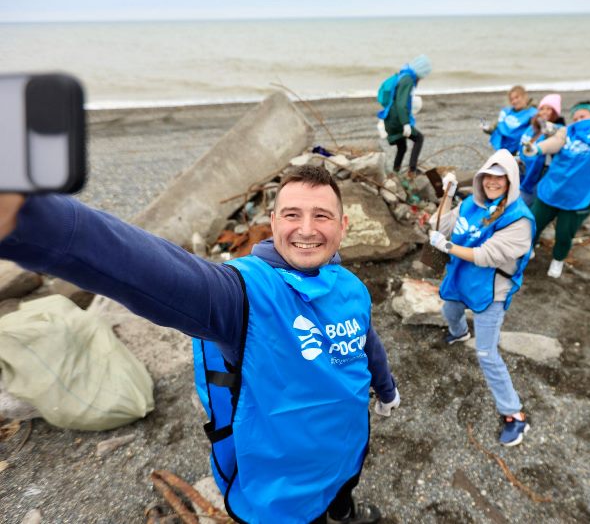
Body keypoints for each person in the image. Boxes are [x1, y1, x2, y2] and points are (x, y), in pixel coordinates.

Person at [0, 166, 399, 524]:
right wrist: (27, 217)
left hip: (348, 440)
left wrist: (386, 390)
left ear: (343, 226)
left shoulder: (351, 286)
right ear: (273, 222)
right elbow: (141, 266)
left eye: (322, 216)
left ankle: (345, 511)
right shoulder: (240, 295)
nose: (308, 229)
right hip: (285, 476)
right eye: (292, 214)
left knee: (346, 483)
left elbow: (367, 341)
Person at [427, 149, 535, 446]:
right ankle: (460, 333)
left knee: (487, 354)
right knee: (450, 311)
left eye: (500, 178)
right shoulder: (472, 205)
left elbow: (487, 256)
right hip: (462, 280)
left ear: (511, 181)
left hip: (491, 290)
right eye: (489, 175)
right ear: (481, 177)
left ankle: (515, 414)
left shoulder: (519, 220)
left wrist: (447, 248)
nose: (492, 182)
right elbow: (441, 227)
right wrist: (448, 194)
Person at [525, 100, 590, 279]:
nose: (579, 119)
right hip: (552, 189)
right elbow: (555, 142)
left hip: (578, 196)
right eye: (575, 117)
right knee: (533, 223)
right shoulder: (567, 131)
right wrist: (537, 148)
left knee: (564, 234)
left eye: (583, 116)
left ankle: (558, 259)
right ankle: (528, 249)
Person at [376, 54, 432, 179]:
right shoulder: (408, 80)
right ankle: (412, 170)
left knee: (402, 146)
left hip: (391, 118)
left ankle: (395, 173)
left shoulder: (403, 75)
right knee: (419, 138)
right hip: (397, 120)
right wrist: (406, 123)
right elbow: (401, 104)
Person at [518, 93, 566, 206]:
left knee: (522, 207)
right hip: (522, 172)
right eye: (542, 109)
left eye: (549, 109)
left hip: (539, 177)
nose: (544, 112)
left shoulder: (559, 130)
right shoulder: (532, 128)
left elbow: (555, 145)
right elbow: (521, 148)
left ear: (555, 112)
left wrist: (549, 132)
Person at [481, 85, 537, 155]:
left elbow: (536, 131)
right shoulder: (507, 112)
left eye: (517, 97)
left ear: (525, 96)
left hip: (520, 150)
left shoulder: (533, 113)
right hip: (504, 149)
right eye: (511, 99)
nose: (514, 101)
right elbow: (496, 128)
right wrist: (488, 129)